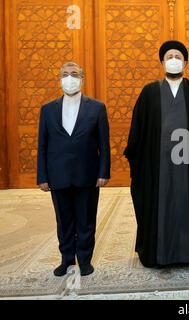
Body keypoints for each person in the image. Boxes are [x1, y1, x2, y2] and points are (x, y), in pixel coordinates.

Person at [124, 40, 189, 268]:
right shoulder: (149, 92)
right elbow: (137, 131)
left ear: (185, 62)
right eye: (169, 56)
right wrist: (137, 158)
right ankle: (158, 253)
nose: (174, 60)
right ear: (162, 62)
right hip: (157, 167)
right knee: (159, 205)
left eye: (178, 56)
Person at [37, 61, 111, 276]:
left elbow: (104, 144)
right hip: (57, 175)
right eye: (65, 74)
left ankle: (85, 260)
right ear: (60, 79)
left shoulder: (97, 108)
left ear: (82, 78)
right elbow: (42, 145)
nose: (69, 78)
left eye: (74, 74)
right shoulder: (48, 109)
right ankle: (67, 259)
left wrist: (103, 172)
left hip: (87, 174)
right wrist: (42, 175)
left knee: (86, 220)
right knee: (64, 221)